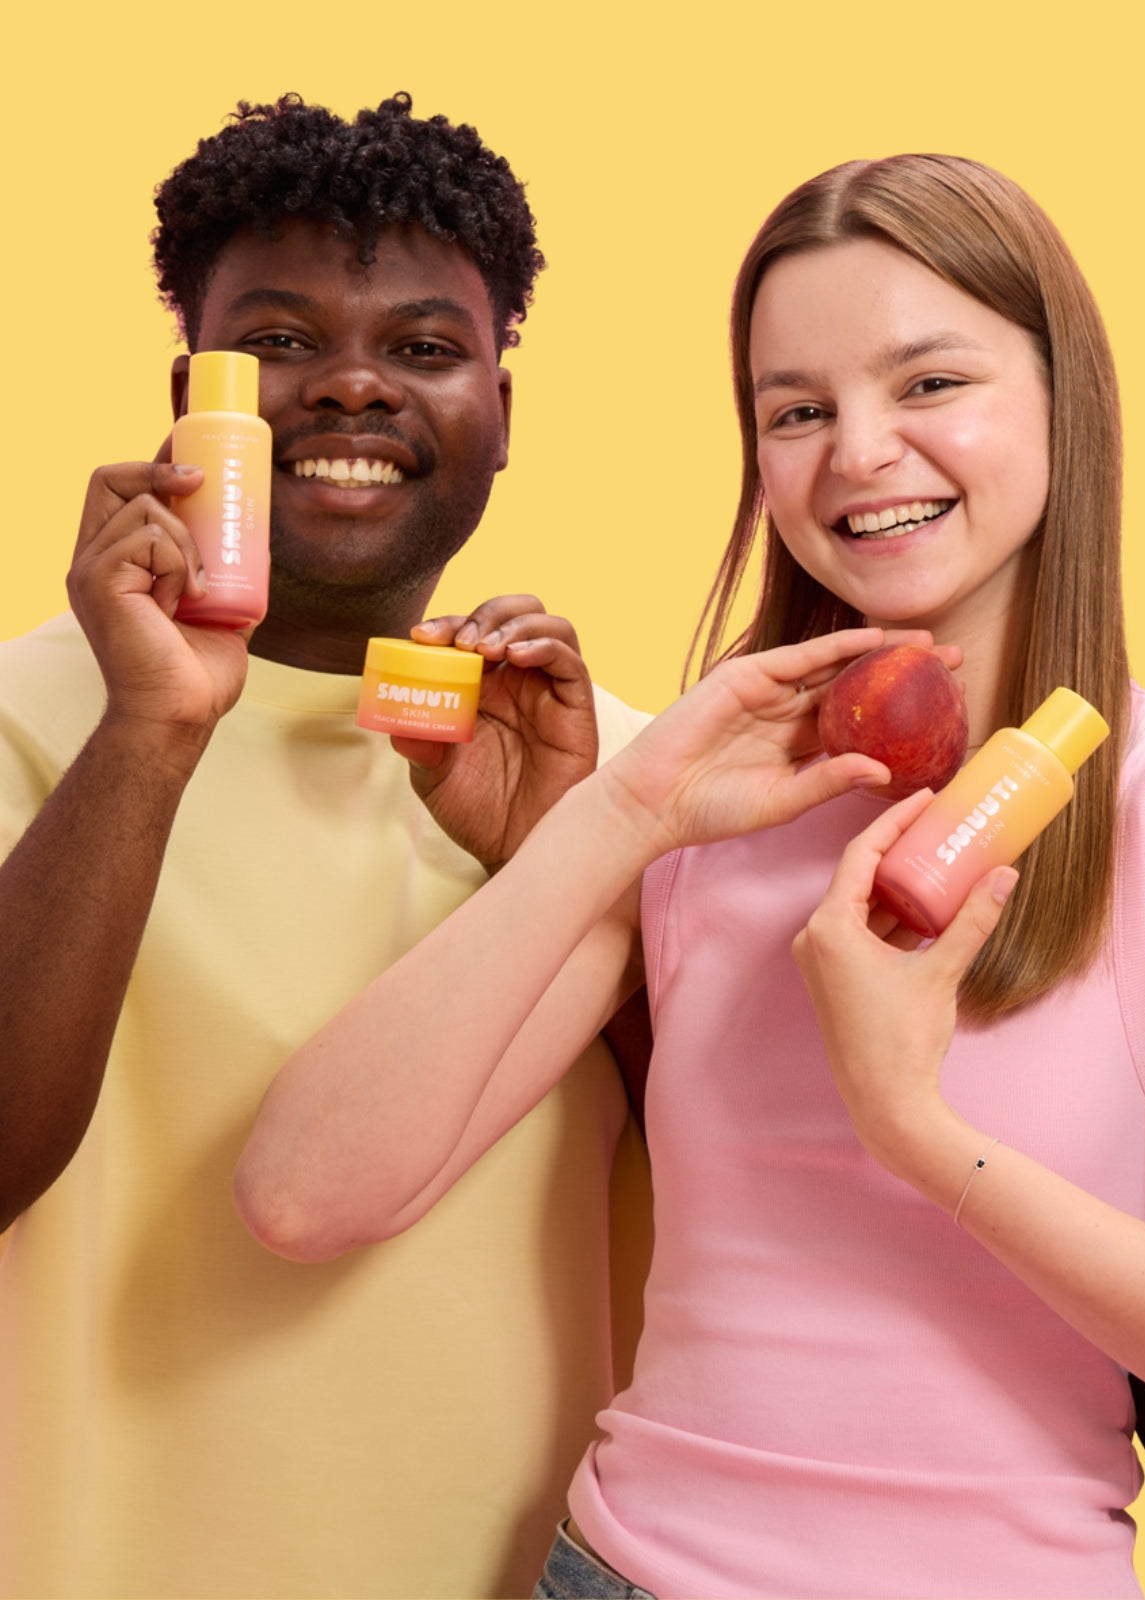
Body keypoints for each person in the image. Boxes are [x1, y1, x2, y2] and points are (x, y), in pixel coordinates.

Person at [236, 154, 1145, 1600]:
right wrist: (618, 812)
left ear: (1068, 399)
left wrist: (912, 1127)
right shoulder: (705, 798)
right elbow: (305, 1194)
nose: (859, 452)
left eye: (929, 384)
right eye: (796, 411)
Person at [0, 93, 653, 1599]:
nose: (353, 389)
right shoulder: (41, 721)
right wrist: (149, 732)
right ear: (192, 397)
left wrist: (560, 854)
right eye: (281, 344)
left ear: (503, 404)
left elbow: (742, 1204)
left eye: (423, 349)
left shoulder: (627, 772)